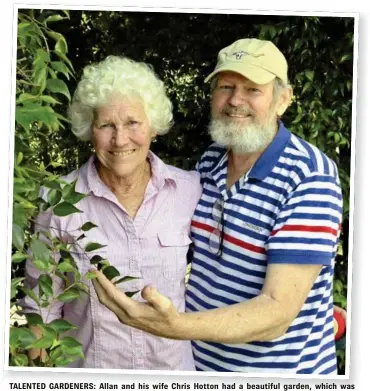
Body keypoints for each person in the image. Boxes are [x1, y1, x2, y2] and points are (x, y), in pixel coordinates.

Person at [92, 38, 343, 374]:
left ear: (283, 99)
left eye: (252, 89)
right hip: (202, 369)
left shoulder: (309, 175)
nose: (235, 100)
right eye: (226, 86)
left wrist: (174, 326)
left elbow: (276, 316)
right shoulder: (213, 160)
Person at [21, 56, 202, 370]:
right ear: (90, 130)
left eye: (133, 123)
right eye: (106, 125)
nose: (120, 139)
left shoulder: (189, 191)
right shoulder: (56, 201)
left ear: (153, 127)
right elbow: (42, 309)